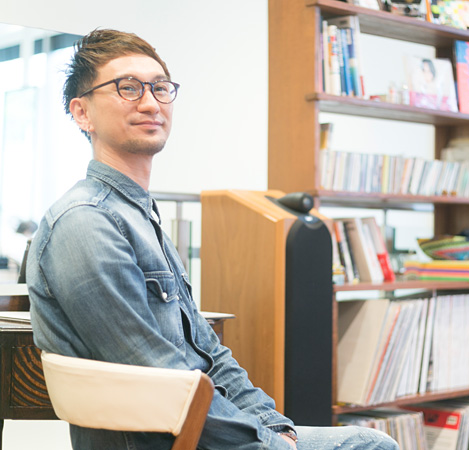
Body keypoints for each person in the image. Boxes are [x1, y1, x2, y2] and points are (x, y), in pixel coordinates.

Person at [26, 29, 399, 450]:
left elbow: (209, 354)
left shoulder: (139, 217)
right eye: (128, 88)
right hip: (169, 442)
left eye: (160, 88)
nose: (150, 103)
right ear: (82, 113)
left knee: (369, 441)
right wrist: (270, 444)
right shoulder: (84, 223)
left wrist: (276, 428)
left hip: (208, 434)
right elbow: (159, 380)